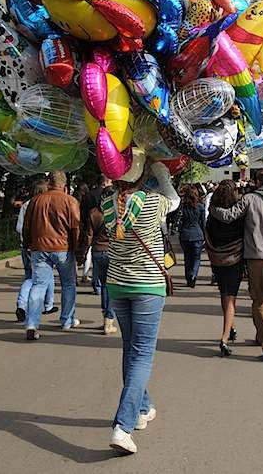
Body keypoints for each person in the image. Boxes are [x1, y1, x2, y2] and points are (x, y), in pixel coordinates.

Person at [103, 161, 179, 454]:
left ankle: (143, 408)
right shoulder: (152, 202)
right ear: (142, 178)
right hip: (147, 286)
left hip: (117, 286)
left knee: (131, 349)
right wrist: (159, 170)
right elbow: (175, 198)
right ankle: (122, 426)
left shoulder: (107, 203)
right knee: (142, 354)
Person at [210, 168, 263, 361]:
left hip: (255, 257)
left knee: (258, 300)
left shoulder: (249, 199)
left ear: (258, 182)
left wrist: (212, 208)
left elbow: (229, 215)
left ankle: (262, 335)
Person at [22, 171, 81, 339]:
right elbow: (75, 228)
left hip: (39, 247)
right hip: (63, 248)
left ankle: (32, 324)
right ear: (64, 185)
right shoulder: (70, 201)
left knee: (38, 285)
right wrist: (77, 250)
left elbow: (27, 226)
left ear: (49, 183)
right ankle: (67, 320)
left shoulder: (36, 201)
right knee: (68, 284)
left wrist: (27, 244)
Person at [205, 180, 245, 356]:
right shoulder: (239, 213)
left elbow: (207, 233)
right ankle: (224, 338)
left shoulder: (212, 212)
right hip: (235, 258)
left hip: (218, 259)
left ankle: (231, 326)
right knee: (231, 298)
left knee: (224, 294)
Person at [78, 181, 116, 335]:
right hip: (113, 252)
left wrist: (82, 253)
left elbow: (88, 235)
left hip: (97, 252)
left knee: (104, 286)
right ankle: (109, 320)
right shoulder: (117, 212)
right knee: (112, 287)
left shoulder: (93, 213)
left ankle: (105, 318)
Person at [15, 180, 56, 323]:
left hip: (26, 246)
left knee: (29, 277)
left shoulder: (26, 205)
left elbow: (19, 228)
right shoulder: (44, 205)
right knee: (42, 277)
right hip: (39, 246)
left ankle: (22, 304)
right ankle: (45, 305)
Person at [177, 187, 206, 288]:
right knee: (196, 257)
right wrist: (205, 236)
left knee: (187, 257)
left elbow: (179, 222)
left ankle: (188, 277)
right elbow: (203, 223)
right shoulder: (200, 207)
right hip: (197, 234)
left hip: (185, 235)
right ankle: (193, 275)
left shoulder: (182, 207)